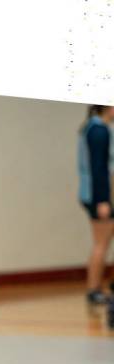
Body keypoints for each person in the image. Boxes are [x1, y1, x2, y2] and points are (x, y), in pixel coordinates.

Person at [78, 104, 113, 305]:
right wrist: (102, 200)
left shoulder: (91, 127)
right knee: (101, 243)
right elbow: (98, 168)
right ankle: (93, 289)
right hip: (97, 195)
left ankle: (97, 287)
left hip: (95, 193)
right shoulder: (99, 131)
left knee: (103, 240)